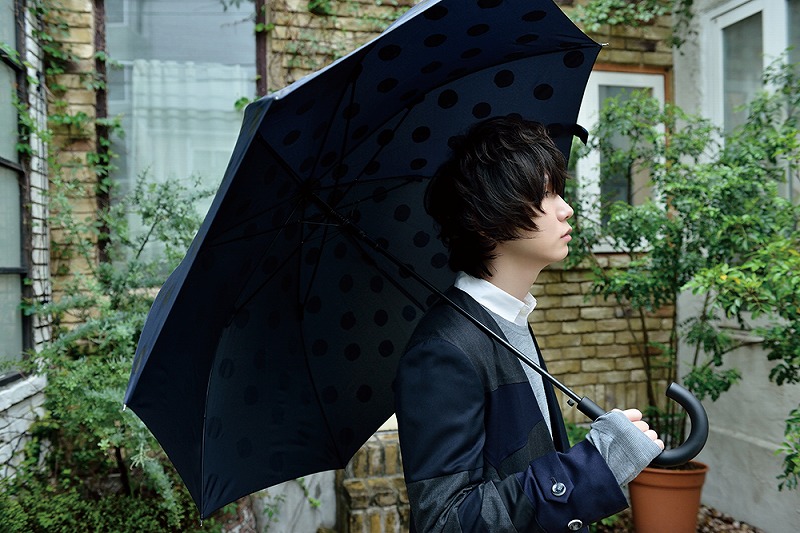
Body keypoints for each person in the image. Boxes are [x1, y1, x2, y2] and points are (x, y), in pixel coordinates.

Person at [394, 116, 664, 533]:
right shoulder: (443, 351)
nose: (566, 208)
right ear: (486, 220)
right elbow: (444, 522)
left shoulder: (509, 318)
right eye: (544, 194)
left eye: (558, 191)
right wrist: (592, 468)